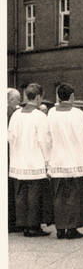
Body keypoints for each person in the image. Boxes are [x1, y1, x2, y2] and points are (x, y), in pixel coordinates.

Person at [47, 83, 83, 239]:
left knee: (59, 195)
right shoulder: (77, 114)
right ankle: (71, 228)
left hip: (58, 159)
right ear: (72, 96)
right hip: (74, 159)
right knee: (74, 195)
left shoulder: (51, 112)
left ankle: (60, 228)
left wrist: (48, 159)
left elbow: (48, 137)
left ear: (59, 96)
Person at [8, 83, 53, 237]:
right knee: (34, 195)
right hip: (35, 161)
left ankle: (23, 225)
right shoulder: (40, 116)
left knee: (20, 194)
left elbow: (10, 138)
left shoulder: (16, 114)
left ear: (27, 96)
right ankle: (33, 226)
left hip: (18, 161)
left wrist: (15, 154)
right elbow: (44, 141)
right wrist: (48, 161)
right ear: (39, 97)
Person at [8, 88, 22, 233]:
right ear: (11, 100)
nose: (18, 103)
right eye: (17, 100)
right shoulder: (11, 114)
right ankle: (12, 222)